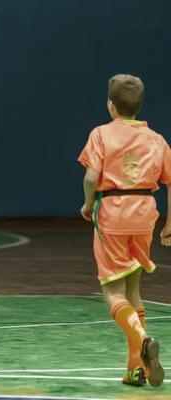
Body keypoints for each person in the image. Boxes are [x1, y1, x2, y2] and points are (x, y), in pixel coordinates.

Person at [78, 74, 168, 388]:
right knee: (133, 290)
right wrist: (169, 223)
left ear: (111, 105)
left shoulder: (101, 134)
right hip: (145, 214)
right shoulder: (156, 138)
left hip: (113, 213)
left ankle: (142, 339)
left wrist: (88, 204)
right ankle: (136, 370)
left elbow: (91, 178)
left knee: (112, 292)